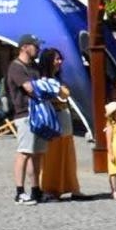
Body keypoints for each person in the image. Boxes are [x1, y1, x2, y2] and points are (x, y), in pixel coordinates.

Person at [36, 48, 82, 200]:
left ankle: (72, 187)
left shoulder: (57, 80)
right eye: (57, 59)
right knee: (52, 157)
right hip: (53, 122)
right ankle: (50, 189)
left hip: (64, 119)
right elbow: (57, 96)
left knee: (68, 156)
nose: (60, 61)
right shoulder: (43, 81)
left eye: (60, 58)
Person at [8, 34, 43, 204]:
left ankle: (36, 190)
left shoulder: (34, 66)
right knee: (24, 153)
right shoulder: (16, 67)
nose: (38, 49)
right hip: (25, 115)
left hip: (38, 114)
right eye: (35, 46)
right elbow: (30, 88)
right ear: (24, 47)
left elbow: (42, 84)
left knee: (36, 154)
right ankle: (19, 192)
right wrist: (47, 87)